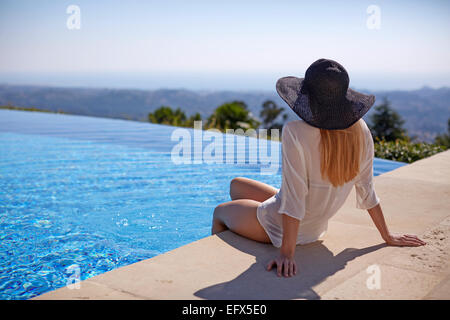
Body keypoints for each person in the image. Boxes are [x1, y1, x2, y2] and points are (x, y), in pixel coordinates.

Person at [211, 58, 426, 278]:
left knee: (219, 212)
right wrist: (387, 236)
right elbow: (367, 189)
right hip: (315, 227)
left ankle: (212, 267)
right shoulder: (360, 130)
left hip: (280, 227)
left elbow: (295, 199)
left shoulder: (295, 131)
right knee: (236, 185)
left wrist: (287, 253)